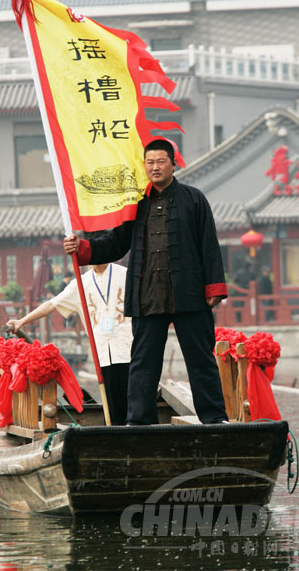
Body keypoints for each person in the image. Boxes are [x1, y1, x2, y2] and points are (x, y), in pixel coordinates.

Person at [64, 138, 229, 425]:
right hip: (147, 294)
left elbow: (209, 245)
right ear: (144, 166)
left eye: (161, 161)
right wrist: (83, 248)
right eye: (150, 162)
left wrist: (214, 286)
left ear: (173, 164)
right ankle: (139, 420)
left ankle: (215, 417)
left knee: (201, 359)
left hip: (189, 294)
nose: (155, 167)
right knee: (142, 364)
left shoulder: (194, 199)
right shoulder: (135, 204)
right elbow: (116, 243)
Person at [6, 262, 132, 424]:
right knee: (113, 404)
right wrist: (22, 321)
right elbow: (52, 304)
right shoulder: (81, 283)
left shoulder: (126, 274)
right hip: (102, 353)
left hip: (130, 349)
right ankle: (118, 434)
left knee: (135, 401)